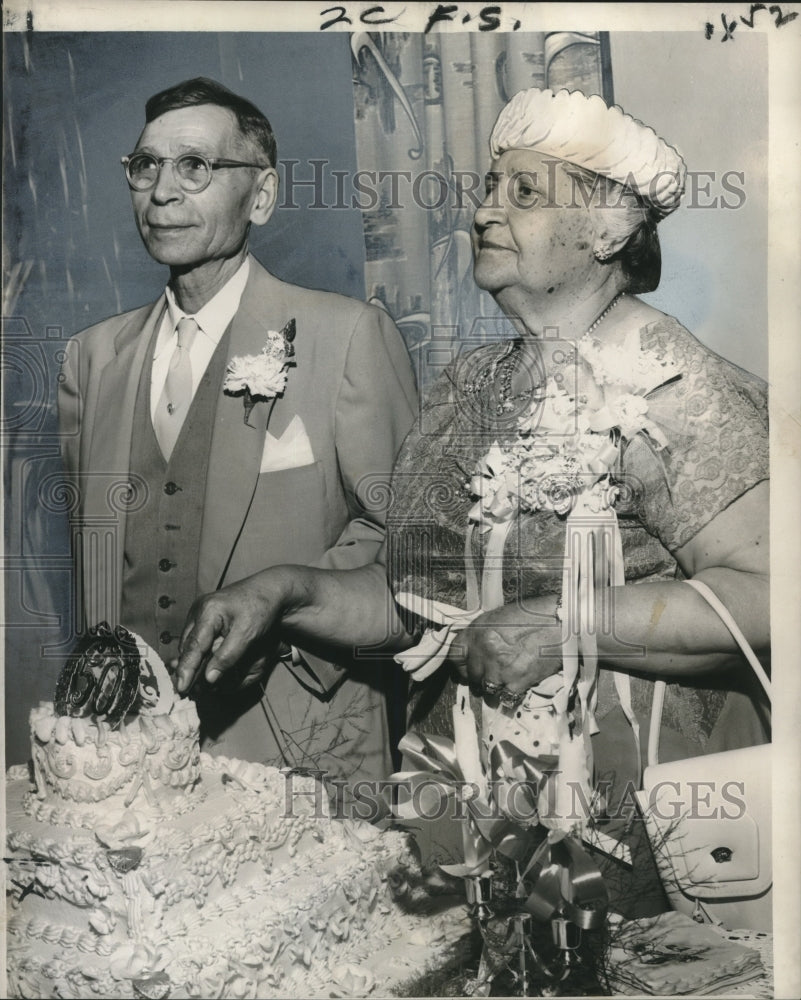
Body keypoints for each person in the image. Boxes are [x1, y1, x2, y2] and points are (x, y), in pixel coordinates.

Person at [174, 88, 770, 908]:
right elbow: (421, 606)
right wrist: (285, 590)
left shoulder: (671, 383)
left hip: (635, 807)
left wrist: (563, 625)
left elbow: (769, 599)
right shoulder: (470, 385)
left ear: (609, 228)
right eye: (489, 187)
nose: (484, 210)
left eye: (522, 192)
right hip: (467, 792)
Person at [58, 77, 418, 787]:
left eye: (195, 166)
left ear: (260, 196)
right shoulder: (91, 359)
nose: (162, 192)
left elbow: (415, 559)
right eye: (145, 166)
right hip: (127, 763)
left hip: (297, 742)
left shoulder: (345, 337)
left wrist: (288, 608)